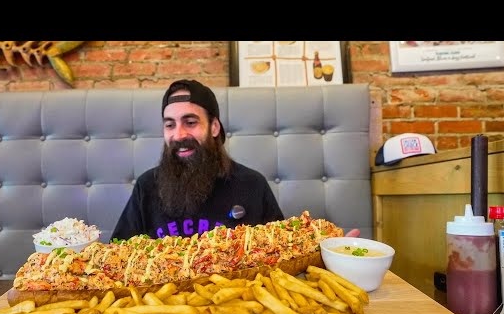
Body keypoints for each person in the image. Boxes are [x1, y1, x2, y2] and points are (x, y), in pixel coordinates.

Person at [111, 79, 360, 241]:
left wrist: (329, 256)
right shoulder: (146, 186)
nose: (179, 135)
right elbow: (116, 256)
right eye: (169, 125)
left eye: (190, 122)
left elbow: (282, 253)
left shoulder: (252, 184)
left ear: (215, 127)